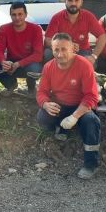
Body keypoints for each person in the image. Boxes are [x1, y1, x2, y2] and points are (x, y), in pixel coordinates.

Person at [36, 33, 101, 180]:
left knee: (92, 122)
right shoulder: (48, 67)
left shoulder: (84, 65)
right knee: (42, 116)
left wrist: (75, 116)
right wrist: (46, 104)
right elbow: (42, 92)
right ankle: (62, 128)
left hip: (81, 107)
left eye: (64, 49)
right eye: (56, 50)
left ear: (73, 49)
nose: (59, 54)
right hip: (60, 105)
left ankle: (91, 164)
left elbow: (91, 96)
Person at [44, 0, 106, 65]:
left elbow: (103, 37)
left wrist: (94, 56)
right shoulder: (57, 17)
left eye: (77, 0)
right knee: (47, 54)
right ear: (65, 1)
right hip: (61, 50)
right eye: (70, 0)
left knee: (90, 63)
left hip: (82, 51)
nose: (73, 3)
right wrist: (66, 45)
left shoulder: (88, 16)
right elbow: (47, 40)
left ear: (81, 2)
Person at [0, 2, 43, 95]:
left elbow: (38, 55)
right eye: (14, 15)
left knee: (35, 67)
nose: (17, 18)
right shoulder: (4, 29)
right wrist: (3, 62)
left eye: (20, 14)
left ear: (26, 15)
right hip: (11, 63)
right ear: (10, 15)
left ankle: (31, 88)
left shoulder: (36, 29)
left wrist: (19, 64)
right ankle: (11, 85)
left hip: (28, 63)